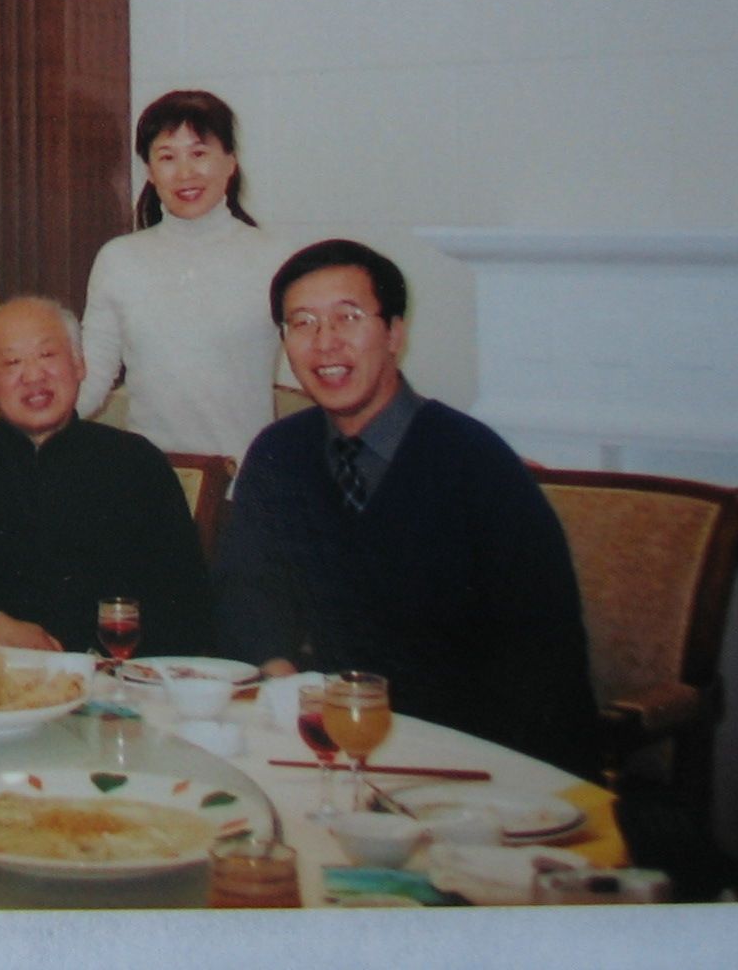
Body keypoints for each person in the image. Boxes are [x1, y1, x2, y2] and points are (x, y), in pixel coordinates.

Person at [213, 238, 599, 775]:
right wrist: (279, 677)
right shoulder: (279, 453)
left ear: (395, 333)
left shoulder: (476, 463)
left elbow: (542, 657)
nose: (325, 343)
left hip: (467, 759)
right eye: (302, 323)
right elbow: (245, 595)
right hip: (322, 750)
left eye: (347, 318)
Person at [0, 297, 211, 656]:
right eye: (12, 363)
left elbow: (188, 605)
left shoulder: (136, 462)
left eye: (47, 355)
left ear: (79, 364)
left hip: (111, 675)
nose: (33, 376)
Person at [76, 89, 293, 465]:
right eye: (167, 157)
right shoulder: (119, 259)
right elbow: (92, 377)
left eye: (199, 153)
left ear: (230, 162)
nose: (185, 173)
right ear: (150, 171)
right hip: (150, 480)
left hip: (247, 479)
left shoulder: (275, 258)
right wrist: (31, 430)